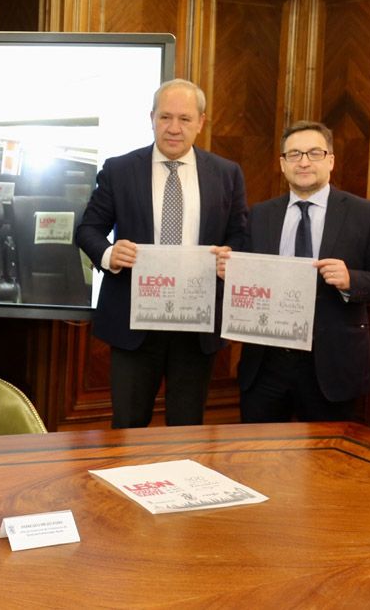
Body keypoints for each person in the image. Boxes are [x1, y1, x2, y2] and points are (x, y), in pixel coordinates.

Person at [75, 78, 248, 429]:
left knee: (186, 429)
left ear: (201, 121)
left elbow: (240, 236)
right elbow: (87, 230)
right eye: (165, 117)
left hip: (196, 325)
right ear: (151, 117)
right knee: (127, 428)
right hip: (133, 322)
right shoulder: (120, 169)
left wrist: (232, 258)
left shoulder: (227, 174)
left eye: (185, 119)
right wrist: (109, 254)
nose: (173, 128)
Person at [215, 121, 370, 422]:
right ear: (282, 164)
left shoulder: (365, 214)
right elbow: (251, 276)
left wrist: (351, 280)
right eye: (294, 154)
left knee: (325, 463)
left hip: (331, 365)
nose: (303, 161)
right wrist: (230, 271)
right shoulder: (261, 214)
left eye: (314, 153)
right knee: (259, 460)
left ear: (330, 160)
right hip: (266, 364)